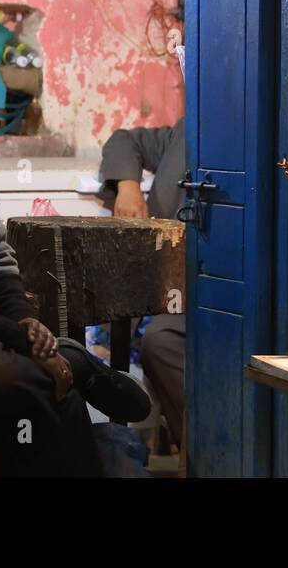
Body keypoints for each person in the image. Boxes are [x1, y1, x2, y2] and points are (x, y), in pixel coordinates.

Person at [0, 136, 150, 476]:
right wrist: (22, 338)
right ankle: (81, 365)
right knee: (41, 383)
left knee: (57, 381)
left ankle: (71, 362)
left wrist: (26, 322)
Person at [99, 117, 187, 449]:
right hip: (162, 288)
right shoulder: (186, 129)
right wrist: (128, 186)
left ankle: (202, 448)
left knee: (160, 341)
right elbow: (123, 140)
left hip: (205, 293)